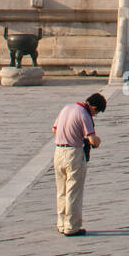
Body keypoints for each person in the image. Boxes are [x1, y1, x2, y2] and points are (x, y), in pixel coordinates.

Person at [52, 93, 106, 236]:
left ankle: (61, 223)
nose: (95, 115)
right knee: (73, 191)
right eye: (97, 112)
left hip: (58, 152)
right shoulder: (84, 114)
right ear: (93, 107)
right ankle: (71, 226)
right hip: (73, 154)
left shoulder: (67, 108)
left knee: (61, 190)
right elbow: (93, 140)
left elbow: (55, 129)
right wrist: (97, 140)